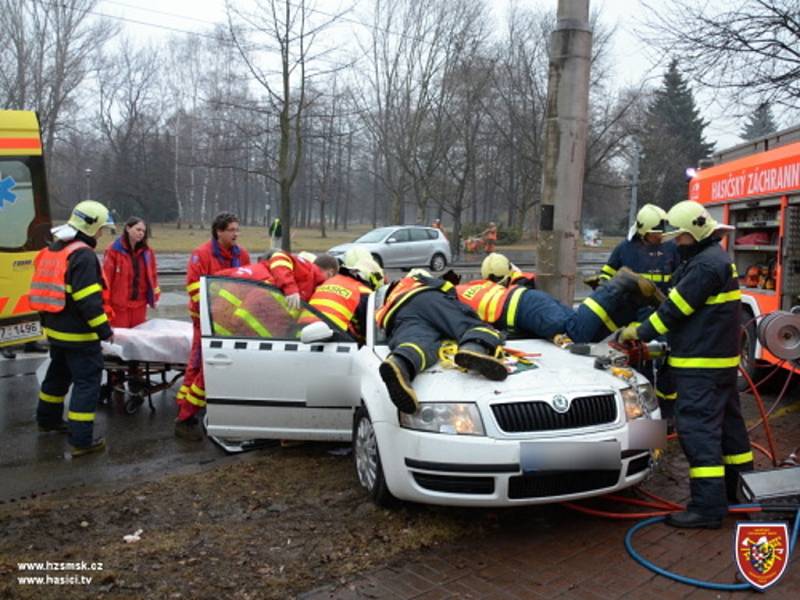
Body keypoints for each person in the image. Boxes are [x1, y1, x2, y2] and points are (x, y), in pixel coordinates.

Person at [619, 200, 752, 529]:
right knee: (730, 432)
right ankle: (743, 494)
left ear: (693, 234)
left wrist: (640, 331)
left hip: (700, 367)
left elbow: (674, 311)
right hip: (719, 363)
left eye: (680, 238)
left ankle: (707, 508)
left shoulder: (705, 266)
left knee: (698, 431)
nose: (676, 244)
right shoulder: (715, 259)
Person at [29, 200, 116, 457]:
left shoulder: (53, 249)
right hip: (79, 336)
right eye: (101, 228)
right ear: (91, 226)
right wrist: (105, 331)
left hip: (55, 331)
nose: (101, 234)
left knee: (57, 376)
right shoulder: (83, 255)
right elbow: (88, 301)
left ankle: (47, 420)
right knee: (87, 383)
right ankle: (82, 441)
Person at [376, 269, 508, 414]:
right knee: (467, 324)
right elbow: (451, 292)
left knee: (418, 343)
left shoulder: (393, 294)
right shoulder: (424, 281)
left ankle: (400, 363)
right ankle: (473, 347)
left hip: (398, 314)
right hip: (429, 299)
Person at [176, 212, 251, 440]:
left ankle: (205, 405)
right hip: (206, 320)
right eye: (231, 230)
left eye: (237, 229)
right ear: (219, 231)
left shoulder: (242, 255)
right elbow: (194, 288)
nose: (236, 234)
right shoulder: (202, 255)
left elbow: (248, 287)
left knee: (221, 367)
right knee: (197, 364)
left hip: (232, 321)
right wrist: (214, 313)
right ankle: (185, 410)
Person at [456, 267, 663, 344]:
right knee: (586, 338)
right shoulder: (468, 288)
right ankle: (632, 305)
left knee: (576, 335)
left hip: (523, 309)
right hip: (530, 302)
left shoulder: (449, 299)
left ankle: (617, 285)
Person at [595, 204, 680, 295]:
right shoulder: (625, 249)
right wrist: (603, 286)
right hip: (630, 305)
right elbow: (607, 274)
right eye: (654, 234)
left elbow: (681, 278)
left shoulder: (671, 248)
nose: (659, 237)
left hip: (662, 305)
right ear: (643, 232)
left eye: (661, 233)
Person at [102, 217, 160, 328]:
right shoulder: (113, 250)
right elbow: (106, 279)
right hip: (119, 306)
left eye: (143, 231)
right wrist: (105, 304)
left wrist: (155, 296)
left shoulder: (147, 252)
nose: (141, 233)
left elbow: (153, 276)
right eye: (138, 230)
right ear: (128, 228)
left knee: (137, 339)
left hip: (140, 305)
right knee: (121, 339)